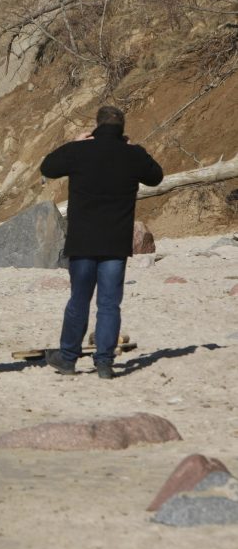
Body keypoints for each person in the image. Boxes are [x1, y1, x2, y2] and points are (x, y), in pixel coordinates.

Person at [40, 106, 163, 379]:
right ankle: (105, 362)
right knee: (109, 304)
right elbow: (156, 176)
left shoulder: (79, 151)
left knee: (79, 300)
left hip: (83, 241)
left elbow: (47, 167)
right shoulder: (131, 155)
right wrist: (135, 148)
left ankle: (68, 357)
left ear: (96, 125)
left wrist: (75, 142)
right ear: (122, 128)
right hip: (115, 244)